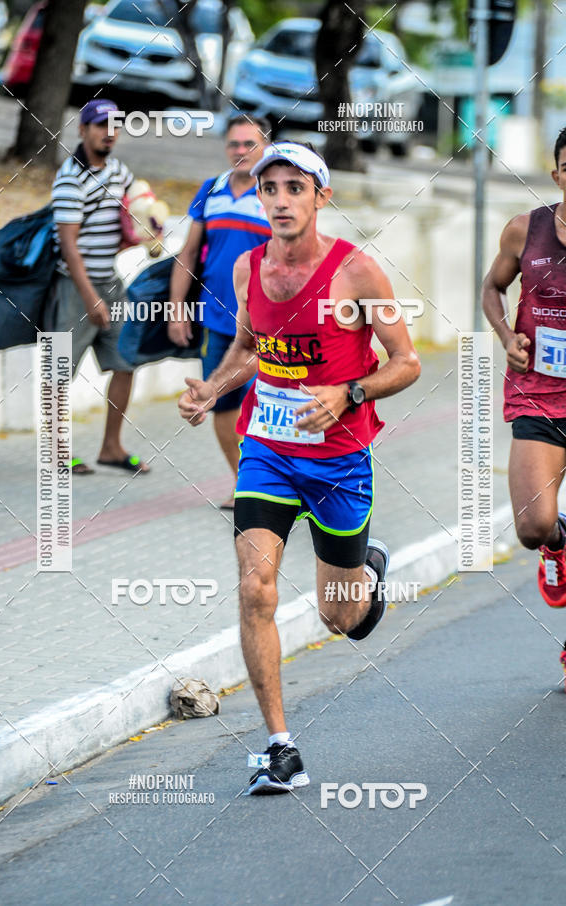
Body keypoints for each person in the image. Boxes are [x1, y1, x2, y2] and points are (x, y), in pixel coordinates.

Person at [178, 142, 421, 794]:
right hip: (268, 448)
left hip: (339, 457)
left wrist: (351, 393)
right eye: (270, 189)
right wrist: (210, 388)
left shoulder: (357, 273)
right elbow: (252, 348)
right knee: (256, 584)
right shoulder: (248, 269)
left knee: (340, 618)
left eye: (294, 188)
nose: (281, 200)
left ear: (321, 197)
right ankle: (280, 748)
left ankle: (368, 570)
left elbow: (407, 361)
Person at [483, 127, 566, 675]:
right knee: (533, 527)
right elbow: (493, 287)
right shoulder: (525, 229)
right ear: (558, 173)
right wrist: (505, 336)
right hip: (538, 396)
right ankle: (560, 547)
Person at [168, 115, 271, 507]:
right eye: (234, 144)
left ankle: (275, 488)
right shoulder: (210, 190)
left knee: (268, 408)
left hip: (268, 327)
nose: (241, 151)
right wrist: (177, 311)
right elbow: (189, 253)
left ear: (265, 147)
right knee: (222, 404)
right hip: (217, 321)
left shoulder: (275, 194)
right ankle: (244, 483)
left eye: (250, 144)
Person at [51, 98, 149, 475]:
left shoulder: (119, 172)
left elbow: (126, 218)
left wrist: (139, 233)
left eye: (115, 126)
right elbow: (69, 247)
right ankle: (57, 453)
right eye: (99, 125)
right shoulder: (70, 179)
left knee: (126, 362)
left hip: (110, 281)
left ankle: (111, 447)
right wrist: (91, 298)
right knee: (59, 373)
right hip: (75, 288)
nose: (108, 133)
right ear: (82, 130)